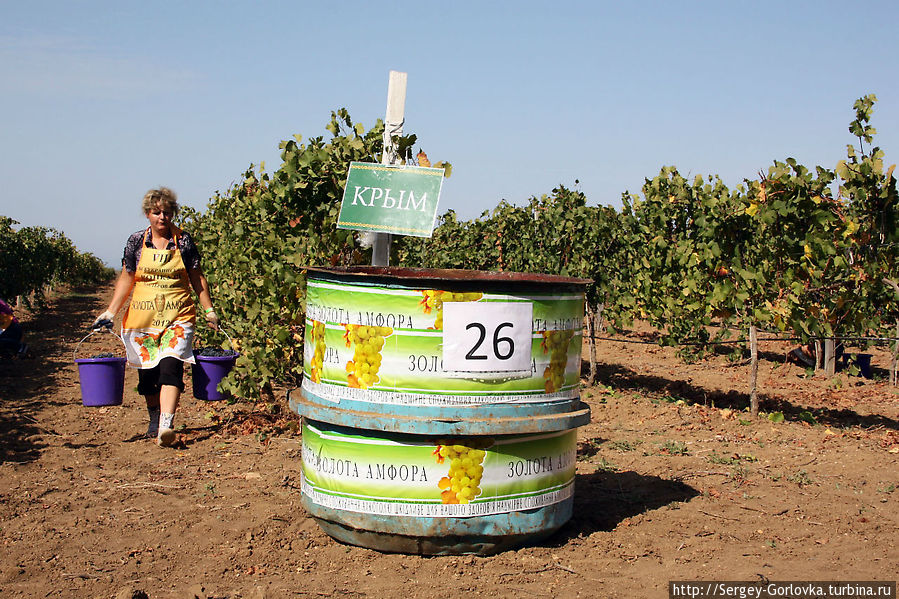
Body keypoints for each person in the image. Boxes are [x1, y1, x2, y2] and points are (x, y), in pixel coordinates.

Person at [93, 188, 219, 447]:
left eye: (167, 212)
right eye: (156, 212)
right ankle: (153, 416)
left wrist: (209, 310)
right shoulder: (136, 242)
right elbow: (127, 277)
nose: (163, 217)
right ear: (147, 214)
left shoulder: (183, 241)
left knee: (172, 366)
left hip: (178, 315)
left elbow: (197, 277)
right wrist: (110, 311)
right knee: (148, 375)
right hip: (142, 318)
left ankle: (166, 425)